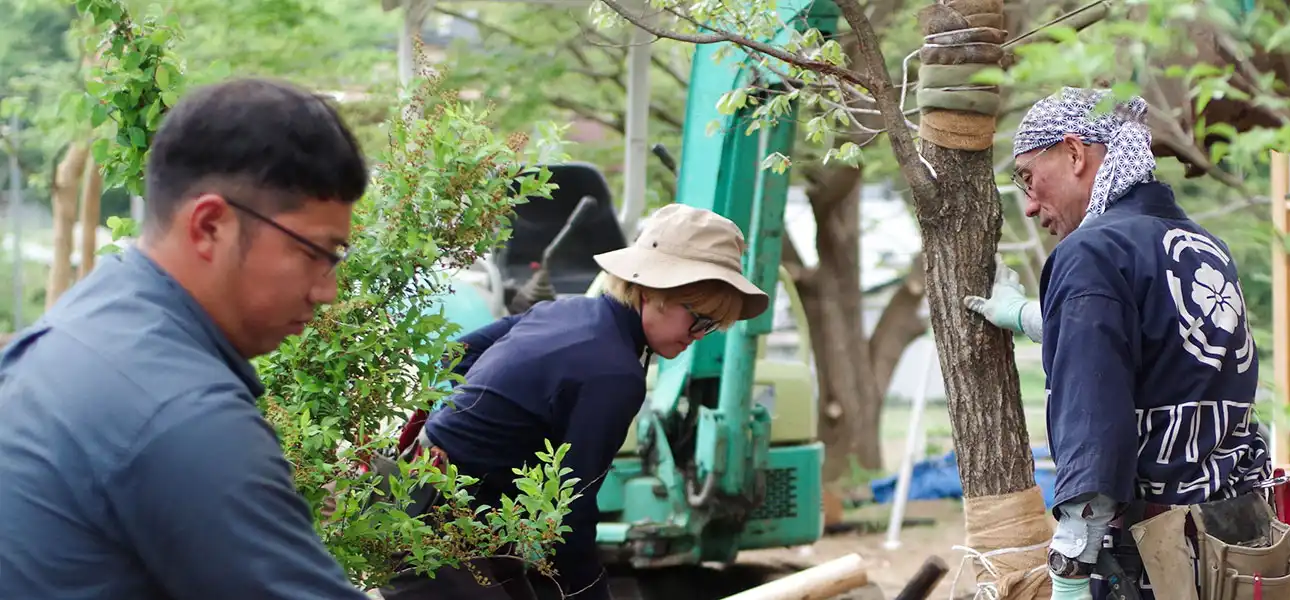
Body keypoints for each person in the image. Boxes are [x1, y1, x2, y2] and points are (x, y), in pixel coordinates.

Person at [0, 78, 372, 598]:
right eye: (317, 253)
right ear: (210, 225)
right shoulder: (184, 417)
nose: (328, 291)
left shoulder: (89, 315)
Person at [964, 87, 1290, 600]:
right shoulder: (1201, 246)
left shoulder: (1091, 252)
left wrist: (1070, 565)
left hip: (1161, 563)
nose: (1031, 204)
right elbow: (1149, 346)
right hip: (1249, 550)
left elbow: (1095, 419)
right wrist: (1021, 315)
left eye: (1028, 177)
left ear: (1075, 153)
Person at [378, 203, 770, 600]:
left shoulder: (565, 311)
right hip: (435, 528)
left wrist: (467, 433)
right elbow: (570, 514)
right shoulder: (615, 374)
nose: (700, 335)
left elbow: (457, 354)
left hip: (429, 500)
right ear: (655, 291)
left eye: (713, 327)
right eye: (699, 319)